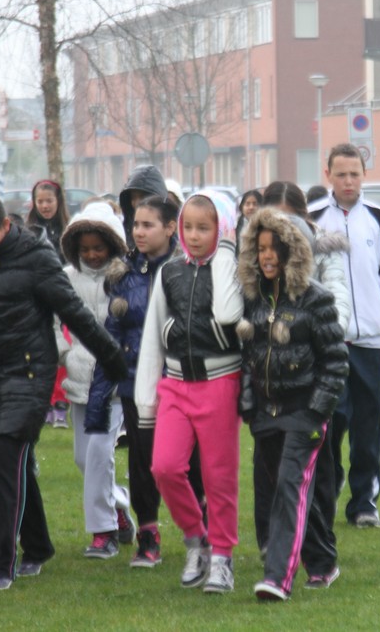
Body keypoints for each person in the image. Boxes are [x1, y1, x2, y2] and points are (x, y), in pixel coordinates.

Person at [0, 192, 129, 590]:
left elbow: (74, 313)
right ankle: (38, 546)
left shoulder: (36, 258)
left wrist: (113, 360)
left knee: (6, 458)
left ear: (5, 226)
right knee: (16, 464)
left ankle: (0, 565)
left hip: (27, 373)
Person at [236, 207, 348, 602]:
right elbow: (248, 356)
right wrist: (248, 405)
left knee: (288, 486)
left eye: (274, 248)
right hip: (266, 413)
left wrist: (317, 412)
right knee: (291, 491)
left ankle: (277, 579)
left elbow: (336, 361)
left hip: (304, 412)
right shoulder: (253, 299)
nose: (266, 256)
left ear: (292, 252)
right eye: (260, 248)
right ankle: (323, 563)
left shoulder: (316, 299)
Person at [135, 190, 243, 594]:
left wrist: (226, 254)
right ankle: (196, 540)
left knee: (218, 478)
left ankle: (222, 558)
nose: (194, 236)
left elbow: (229, 314)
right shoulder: (169, 272)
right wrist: (146, 400)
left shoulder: (233, 267)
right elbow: (152, 335)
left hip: (221, 384)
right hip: (176, 386)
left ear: (222, 229)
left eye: (205, 228)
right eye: (189, 227)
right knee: (164, 467)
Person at [88, 194, 204, 568]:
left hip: (184, 382)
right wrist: (101, 394)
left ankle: (202, 533)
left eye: (147, 224)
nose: (138, 231)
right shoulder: (123, 275)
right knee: (143, 462)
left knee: (190, 463)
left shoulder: (190, 270)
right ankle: (148, 537)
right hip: (137, 383)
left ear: (170, 228)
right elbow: (112, 335)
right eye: (135, 224)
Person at [308, 143, 380, 529]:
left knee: (369, 427)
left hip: (371, 340)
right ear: (328, 175)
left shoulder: (379, 220)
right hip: (328, 343)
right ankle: (328, 491)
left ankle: (364, 502)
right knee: (330, 424)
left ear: (364, 174)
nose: (348, 181)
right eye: (341, 174)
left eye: (355, 174)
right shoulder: (313, 220)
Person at [260, 179, 350, 569]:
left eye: (288, 217)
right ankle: (274, 543)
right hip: (273, 386)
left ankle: (317, 548)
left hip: (311, 377)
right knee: (272, 469)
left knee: (316, 468)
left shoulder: (323, 254)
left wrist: (313, 335)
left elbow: (337, 302)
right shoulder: (258, 261)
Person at [56, 201, 135, 559]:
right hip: (79, 379)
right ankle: (118, 505)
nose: (91, 254)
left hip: (113, 380)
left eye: (98, 247)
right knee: (83, 459)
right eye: (85, 248)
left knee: (101, 454)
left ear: (112, 244)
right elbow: (51, 320)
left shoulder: (125, 278)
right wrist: (64, 353)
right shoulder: (65, 278)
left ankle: (103, 532)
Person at [26, 179, 71, 428]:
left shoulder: (68, 230)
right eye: (40, 201)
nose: (44, 206)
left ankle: (60, 402)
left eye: (49, 201)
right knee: (40, 352)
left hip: (63, 296)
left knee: (62, 348)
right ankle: (43, 402)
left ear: (58, 201)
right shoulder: (29, 231)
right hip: (38, 298)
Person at [119, 164, 168, 249]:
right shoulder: (121, 237)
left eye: (143, 197)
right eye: (133, 197)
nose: (138, 203)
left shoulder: (178, 246)